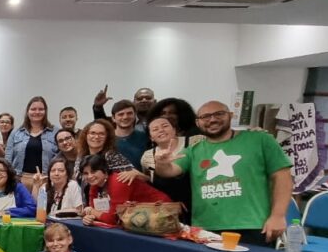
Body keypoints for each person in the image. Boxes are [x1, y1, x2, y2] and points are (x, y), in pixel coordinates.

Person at [153, 100, 292, 244]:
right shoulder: (193, 151)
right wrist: (162, 163)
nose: (212, 119)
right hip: (205, 229)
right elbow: (170, 171)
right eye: (205, 117)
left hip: (253, 226)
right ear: (198, 122)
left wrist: (278, 216)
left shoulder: (260, 140)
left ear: (231, 116)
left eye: (219, 114)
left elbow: (282, 177)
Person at [81, 154, 172, 226]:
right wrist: (89, 217)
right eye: (85, 173)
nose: (90, 176)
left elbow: (113, 219)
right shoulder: (94, 183)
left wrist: (92, 212)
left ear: (104, 170)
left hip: (161, 210)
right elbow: (92, 211)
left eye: (93, 172)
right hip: (139, 218)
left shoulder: (118, 181)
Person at [142, 115, 201, 223]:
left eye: (165, 126)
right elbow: (151, 181)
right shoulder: (148, 156)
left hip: (198, 205)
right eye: (155, 129)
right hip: (167, 210)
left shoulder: (195, 142)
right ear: (151, 137)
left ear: (174, 130)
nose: (161, 130)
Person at [5, 96, 58, 190]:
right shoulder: (16, 132)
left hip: (46, 179)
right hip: (20, 179)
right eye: (33, 109)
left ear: (45, 111)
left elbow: (59, 157)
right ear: (27, 111)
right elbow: (8, 158)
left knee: (42, 205)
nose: (37, 112)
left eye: (41, 109)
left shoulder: (55, 132)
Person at [110, 99, 151, 166]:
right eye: (121, 114)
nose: (125, 117)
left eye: (129, 113)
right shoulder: (106, 139)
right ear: (113, 118)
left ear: (135, 115)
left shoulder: (146, 137)